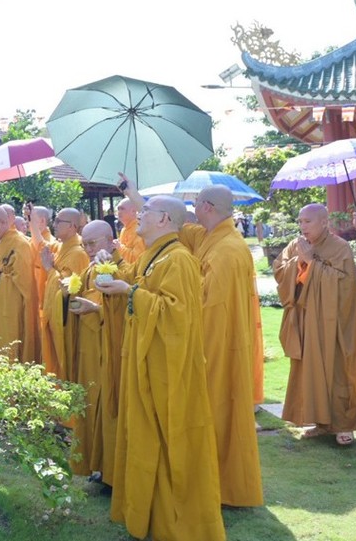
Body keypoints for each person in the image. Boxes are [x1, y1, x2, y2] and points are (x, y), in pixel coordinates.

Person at [122, 175, 263, 506]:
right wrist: (134, 195)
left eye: (195, 204)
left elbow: (211, 309)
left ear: (207, 208)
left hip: (217, 346)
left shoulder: (228, 250)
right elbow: (171, 226)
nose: (191, 209)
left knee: (217, 412)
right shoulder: (211, 235)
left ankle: (222, 487)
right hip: (210, 341)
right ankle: (210, 483)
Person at [96, 195, 225, 541]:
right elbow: (139, 281)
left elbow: (177, 314)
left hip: (168, 367)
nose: (139, 215)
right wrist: (112, 266)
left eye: (146, 211)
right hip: (146, 360)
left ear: (165, 219)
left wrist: (130, 292)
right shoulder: (156, 255)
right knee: (142, 435)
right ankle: (148, 511)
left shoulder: (179, 259)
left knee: (165, 436)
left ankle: (173, 519)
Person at [275, 203, 356, 446]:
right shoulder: (296, 244)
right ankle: (318, 422)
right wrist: (299, 262)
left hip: (335, 321)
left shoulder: (339, 247)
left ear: (324, 223)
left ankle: (343, 426)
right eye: (300, 221)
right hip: (307, 318)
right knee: (311, 369)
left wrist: (311, 262)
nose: (303, 226)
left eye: (308, 221)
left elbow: (344, 286)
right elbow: (280, 270)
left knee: (338, 368)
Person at [63, 220, 127, 483]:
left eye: (93, 243)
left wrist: (96, 309)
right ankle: (94, 463)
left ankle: (112, 469)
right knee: (89, 402)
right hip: (89, 349)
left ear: (110, 241)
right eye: (85, 244)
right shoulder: (91, 268)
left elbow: (127, 308)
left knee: (107, 405)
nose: (88, 249)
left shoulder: (122, 268)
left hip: (110, 350)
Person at [0, 206, 39, 361]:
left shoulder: (20, 244)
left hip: (11, 307)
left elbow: (24, 281)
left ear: (2, 222)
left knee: (9, 346)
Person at [40, 207, 90, 377]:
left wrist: (49, 268)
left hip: (68, 318)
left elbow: (67, 287)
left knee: (65, 359)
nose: (54, 224)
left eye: (59, 221)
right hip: (56, 314)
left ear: (73, 226)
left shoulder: (77, 252)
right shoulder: (63, 248)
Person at [29, 206, 56, 305]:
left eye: (31, 219)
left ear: (42, 220)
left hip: (43, 297)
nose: (29, 224)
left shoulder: (51, 243)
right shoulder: (30, 240)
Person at [116, 198, 145, 263]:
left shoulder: (139, 229)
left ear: (133, 211)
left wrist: (119, 247)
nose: (119, 212)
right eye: (118, 209)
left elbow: (136, 258)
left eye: (122, 209)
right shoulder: (124, 229)